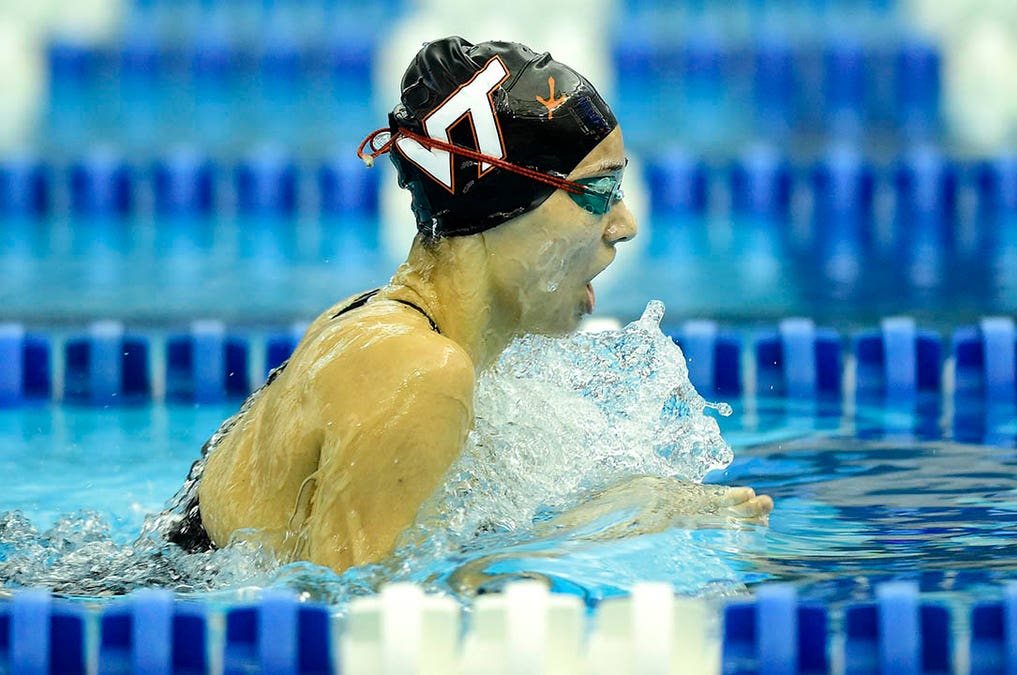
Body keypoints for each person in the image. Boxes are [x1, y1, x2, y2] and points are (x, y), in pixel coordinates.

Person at [158, 37, 772, 573]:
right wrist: (608, 526)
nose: (625, 224)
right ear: (503, 204)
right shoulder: (420, 373)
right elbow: (351, 618)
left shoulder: (375, 322)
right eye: (600, 191)